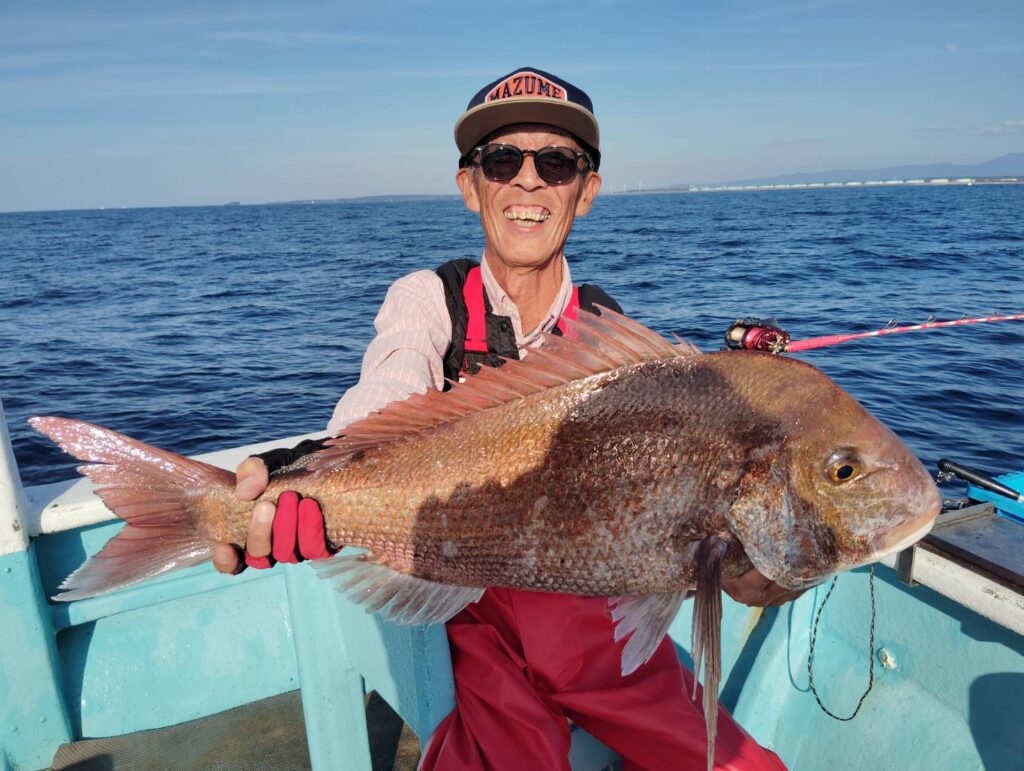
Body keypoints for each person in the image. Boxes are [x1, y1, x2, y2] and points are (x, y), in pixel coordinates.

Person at [213, 67, 796, 770]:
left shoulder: (617, 339)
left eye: (556, 163)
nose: (527, 181)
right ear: (470, 186)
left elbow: (687, 524)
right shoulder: (431, 300)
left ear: (586, 191)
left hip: (602, 627)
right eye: (501, 160)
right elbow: (386, 396)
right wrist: (302, 476)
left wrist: (761, 563)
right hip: (475, 603)